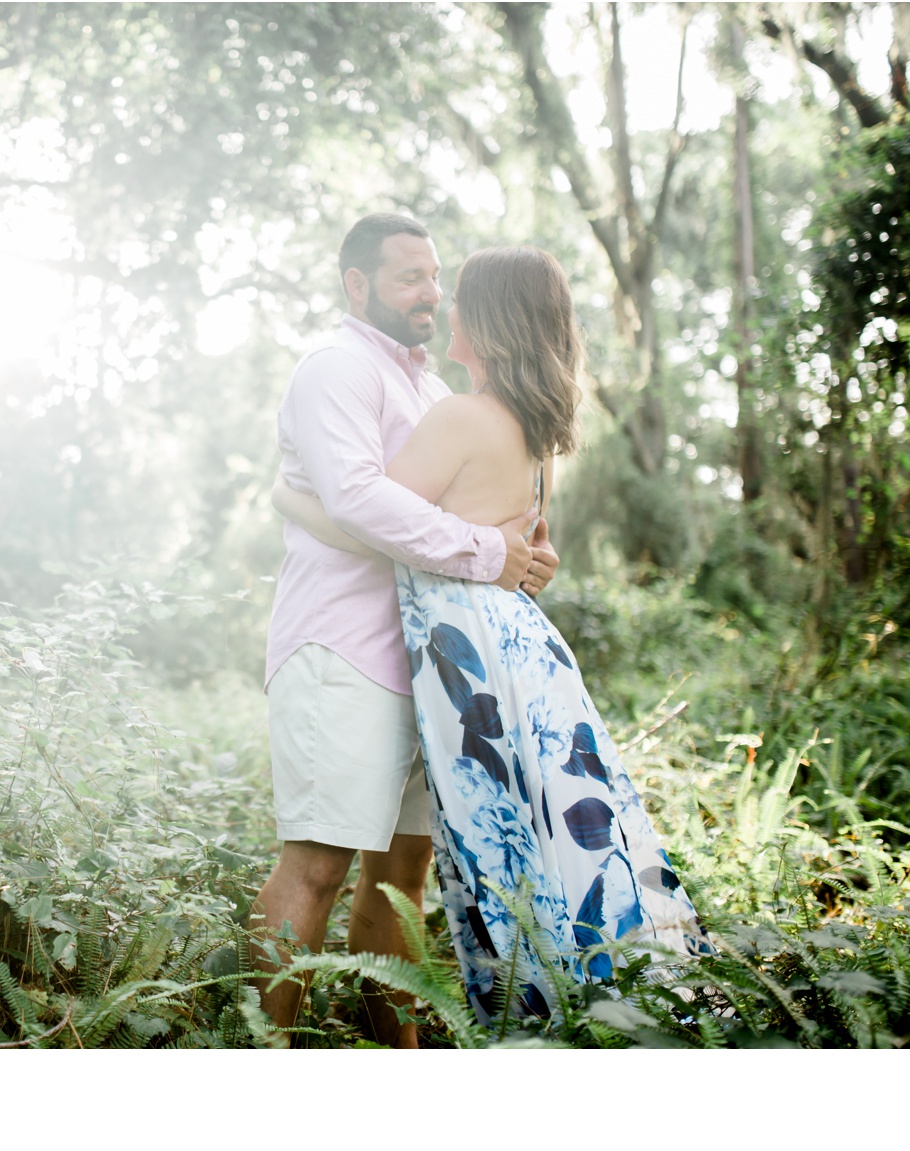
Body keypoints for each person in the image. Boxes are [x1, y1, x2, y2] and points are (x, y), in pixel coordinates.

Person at [275, 245, 710, 1022]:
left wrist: (291, 497)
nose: (441, 302)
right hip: (510, 656)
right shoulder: (529, 430)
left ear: (491, 320)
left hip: (461, 657)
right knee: (530, 843)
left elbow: (372, 518)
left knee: (440, 864)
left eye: (455, 291)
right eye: (421, 280)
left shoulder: (457, 412)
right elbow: (522, 542)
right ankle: (594, 999)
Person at [253, 213, 559, 1047]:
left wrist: (523, 549)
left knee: (400, 877)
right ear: (356, 285)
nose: (430, 293)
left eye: (434, 276)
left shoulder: (436, 391)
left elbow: (473, 508)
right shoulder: (336, 370)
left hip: (434, 664)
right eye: (406, 278)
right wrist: (482, 552)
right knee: (317, 864)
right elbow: (358, 499)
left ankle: (399, 1062)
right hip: (345, 650)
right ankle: (263, 1056)